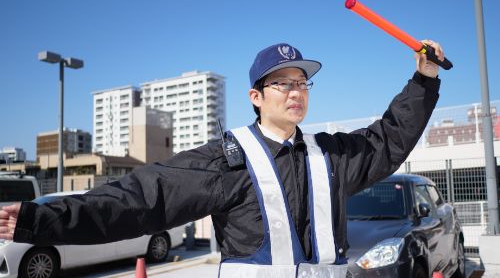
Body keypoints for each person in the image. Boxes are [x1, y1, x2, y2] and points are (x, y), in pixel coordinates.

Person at [0, 41, 444, 277]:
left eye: (303, 84)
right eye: (283, 84)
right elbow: (137, 199)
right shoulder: (226, 161)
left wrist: (423, 79)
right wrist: (37, 219)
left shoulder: (328, 155)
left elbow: (388, 140)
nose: (296, 91)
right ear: (256, 97)